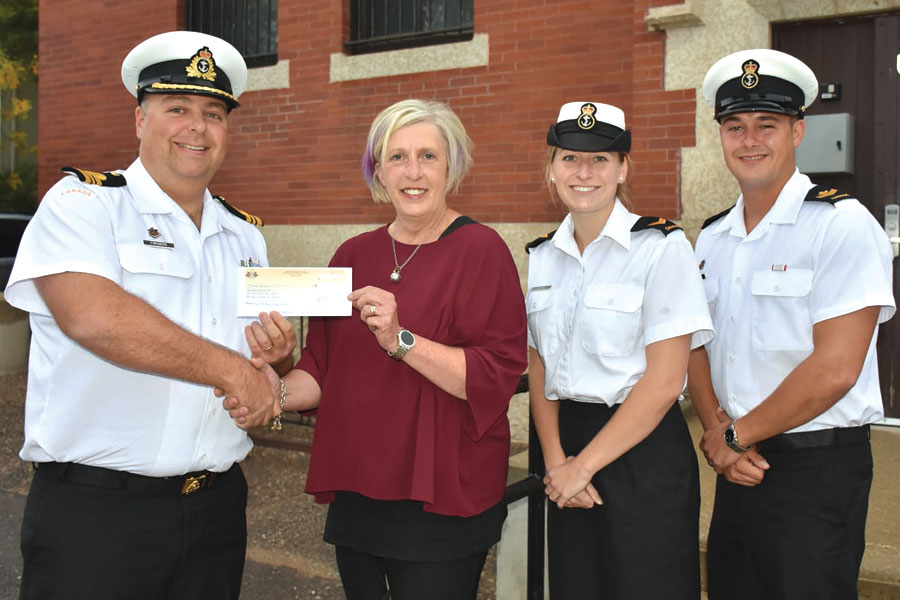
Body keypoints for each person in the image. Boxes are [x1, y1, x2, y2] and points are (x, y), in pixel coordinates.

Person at [4, 31, 296, 600]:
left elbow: (262, 363)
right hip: (97, 518)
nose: (197, 126)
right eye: (177, 108)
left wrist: (274, 360)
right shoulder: (82, 204)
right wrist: (234, 373)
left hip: (215, 510)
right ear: (140, 120)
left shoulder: (245, 236)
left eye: (214, 113)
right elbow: (94, 318)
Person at [227, 99, 528, 600]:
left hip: (440, 495)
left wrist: (399, 340)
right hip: (360, 485)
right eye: (397, 157)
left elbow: (493, 373)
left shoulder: (481, 250)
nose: (413, 172)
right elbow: (319, 371)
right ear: (378, 170)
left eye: (428, 156)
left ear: (450, 167)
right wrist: (268, 389)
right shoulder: (352, 255)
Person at [689, 48, 896, 599]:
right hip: (735, 463)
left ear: (799, 132)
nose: (749, 140)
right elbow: (696, 345)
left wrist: (732, 436)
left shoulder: (840, 225)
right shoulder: (712, 237)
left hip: (815, 470)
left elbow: (835, 369)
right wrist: (717, 432)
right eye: (734, 126)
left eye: (767, 125)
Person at [525, 101, 713, 599]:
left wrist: (580, 467)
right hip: (566, 446)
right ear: (552, 168)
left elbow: (666, 380)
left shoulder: (661, 247)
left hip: (642, 451)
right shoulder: (543, 256)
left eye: (601, 159)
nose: (583, 172)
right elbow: (539, 364)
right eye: (569, 158)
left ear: (623, 167)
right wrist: (556, 462)